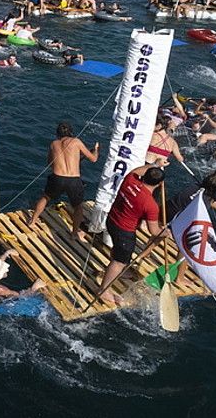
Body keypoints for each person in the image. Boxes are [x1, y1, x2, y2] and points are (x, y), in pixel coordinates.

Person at [98, 166, 165, 305]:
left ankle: (118, 272)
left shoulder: (130, 180)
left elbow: (136, 171)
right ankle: (103, 291)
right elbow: (154, 231)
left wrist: (155, 166)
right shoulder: (151, 205)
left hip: (112, 220)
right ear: (159, 184)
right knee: (119, 261)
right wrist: (165, 232)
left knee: (117, 251)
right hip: (125, 232)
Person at [27, 122, 99, 234]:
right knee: (78, 207)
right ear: (70, 132)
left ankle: (32, 222)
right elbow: (93, 159)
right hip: (73, 180)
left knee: (45, 197)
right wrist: (96, 150)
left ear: (57, 133)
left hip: (57, 178)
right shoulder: (76, 142)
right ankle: (74, 234)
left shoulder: (53, 144)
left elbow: (50, 163)